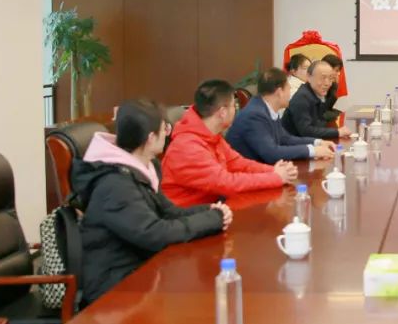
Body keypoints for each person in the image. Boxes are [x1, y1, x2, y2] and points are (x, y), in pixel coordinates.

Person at [72, 99, 232, 305]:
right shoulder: (115, 185)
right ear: (150, 138)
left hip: (141, 270)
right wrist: (212, 219)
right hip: (114, 291)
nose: (168, 133)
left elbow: (168, 212)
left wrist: (211, 211)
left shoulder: (143, 167)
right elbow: (154, 233)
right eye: (165, 128)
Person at [162, 79, 299, 206]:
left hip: (213, 208)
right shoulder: (187, 147)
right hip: (189, 216)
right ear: (222, 112)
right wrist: (275, 177)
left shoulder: (211, 134)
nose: (236, 110)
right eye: (234, 105)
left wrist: (273, 170)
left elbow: (237, 163)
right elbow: (226, 182)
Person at [227, 68, 335, 163]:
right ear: (279, 92)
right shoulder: (255, 115)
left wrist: (317, 143)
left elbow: (285, 139)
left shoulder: (267, 107)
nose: (290, 93)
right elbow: (271, 153)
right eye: (288, 89)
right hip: (247, 173)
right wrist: (312, 151)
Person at [282, 59, 354, 140]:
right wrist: (337, 132)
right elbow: (306, 131)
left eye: (330, 78)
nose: (327, 83)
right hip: (293, 145)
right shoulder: (302, 98)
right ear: (309, 77)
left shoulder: (316, 94)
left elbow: (319, 124)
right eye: (323, 78)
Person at [321, 53, 345, 124]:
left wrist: (335, 85)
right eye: (336, 70)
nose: (338, 74)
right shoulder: (317, 85)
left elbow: (328, 107)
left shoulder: (331, 85)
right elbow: (321, 113)